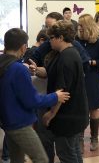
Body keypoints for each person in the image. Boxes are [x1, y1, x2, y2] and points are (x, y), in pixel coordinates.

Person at [0, 28, 70, 163]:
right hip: (20, 124)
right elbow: (33, 100)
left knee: (17, 159)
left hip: (6, 122)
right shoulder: (18, 69)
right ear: (23, 47)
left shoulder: (3, 63)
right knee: (41, 158)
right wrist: (55, 96)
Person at [40, 20, 89, 163]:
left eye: (52, 38)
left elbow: (62, 92)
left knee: (66, 155)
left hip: (67, 116)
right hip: (75, 113)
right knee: (73, 153)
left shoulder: (66, 57)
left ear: (60, 37)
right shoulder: (69, 53)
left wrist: (50, 114)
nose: (50, 42)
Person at [77, 14, 99, 151]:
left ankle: (94, 138)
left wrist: (91, 62)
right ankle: (79, 140)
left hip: (94, 77)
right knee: (80, 109)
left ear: (88, 26)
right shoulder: (77, 40)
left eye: (81, 26)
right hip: (80, 78)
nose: (79, 28)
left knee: (94, 108)